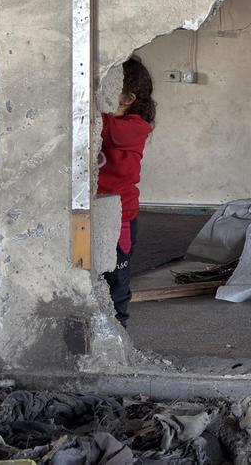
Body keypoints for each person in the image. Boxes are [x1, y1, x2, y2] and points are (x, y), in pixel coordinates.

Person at [98, 57, 155, 327]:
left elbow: (106, 131)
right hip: (96, 209)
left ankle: (118, 325)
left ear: (128, 98)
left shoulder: (135, 127)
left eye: (108, 87)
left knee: (117, 278)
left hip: (120, 215)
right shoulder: (117, 123)